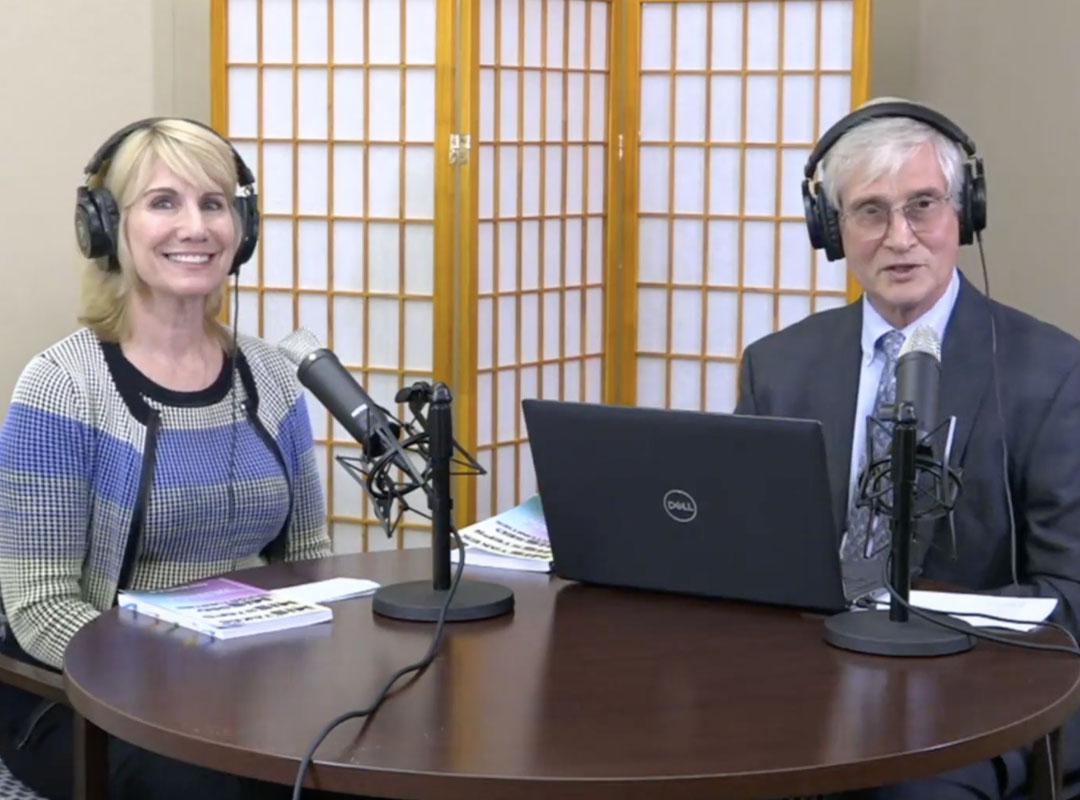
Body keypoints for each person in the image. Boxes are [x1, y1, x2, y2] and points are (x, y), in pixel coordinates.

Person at [736, 99, 1080, 799]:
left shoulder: (1053, 372)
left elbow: (1071, 597)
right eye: (870, 211)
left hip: (981, 696)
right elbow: (745, 555)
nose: (900, 237)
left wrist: (921, 621)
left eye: (922, 205)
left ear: (964, 212)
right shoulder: (777, 365)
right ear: (832, 230)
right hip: (811, 679)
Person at [0, 118, 333, 799]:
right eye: (163, 203)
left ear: (243, 228)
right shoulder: (61, 386)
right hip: (87, 695)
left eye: (214, 203)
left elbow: (309, 557)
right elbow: (40, 606)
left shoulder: (270, 377)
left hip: (245, 684)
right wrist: (175, 677)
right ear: (104, 227)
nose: (196, 227)